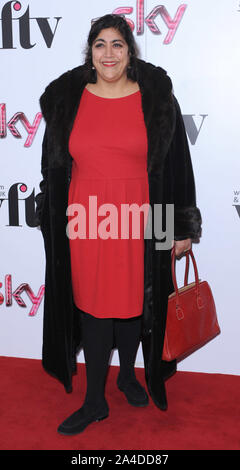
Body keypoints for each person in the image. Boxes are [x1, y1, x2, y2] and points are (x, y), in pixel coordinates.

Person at [35, 14, 202, 436]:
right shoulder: (68, 99)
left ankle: (127, 375)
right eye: (100, 45)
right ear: (90, 54)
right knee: (93, 306)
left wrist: (177, 229)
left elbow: (176, 166)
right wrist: (50, 213)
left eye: (117, 45)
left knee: (137, 303)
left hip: (145, 215)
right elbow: (52, 166)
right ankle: (95, 402)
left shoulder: (156, 99)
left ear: (130, 53)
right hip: (86, 219)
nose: (109, 53)